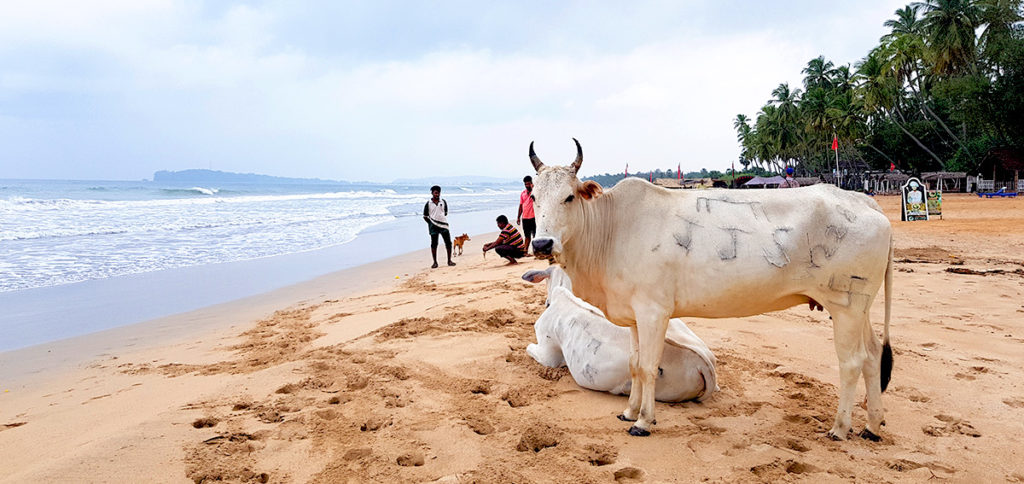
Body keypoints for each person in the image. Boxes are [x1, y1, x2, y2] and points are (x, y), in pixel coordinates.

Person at [423, 185, 455, 268]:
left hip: (444, 225)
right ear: (432, 193)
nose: (437, 194)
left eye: (438, 193)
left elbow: (445, 213)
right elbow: (425, 216)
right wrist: (431, 223)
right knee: (434, 244)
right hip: (433, 226)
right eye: (435, 193)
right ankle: (435, 262)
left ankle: (449, 261)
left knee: (448, 243)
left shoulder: (443, 201)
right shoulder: (428, 203)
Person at [517, 175, 535, 254]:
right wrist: (518, 217)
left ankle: (536, 251)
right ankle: (525, 251)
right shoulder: (523, 193)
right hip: (525, 218)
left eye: (528, 184)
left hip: (534, 217)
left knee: (535, 235)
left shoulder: (535, 192)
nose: (527, 186)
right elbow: (521, 205)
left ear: (531, 183)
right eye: (525, 184)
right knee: (527, 236)